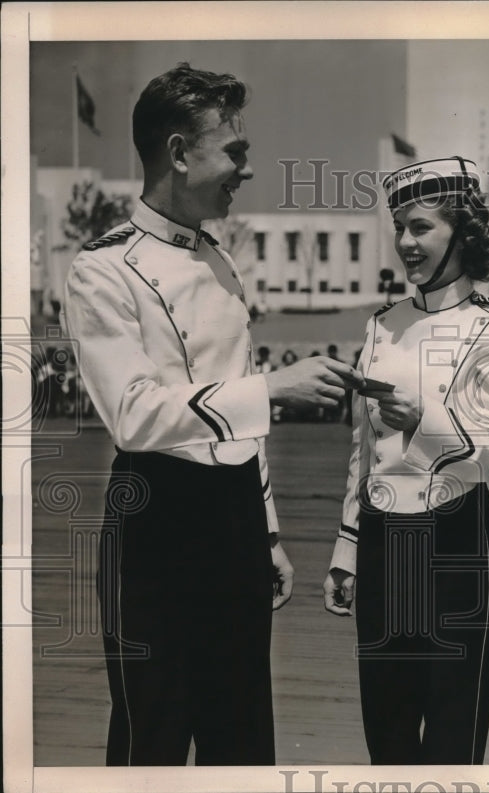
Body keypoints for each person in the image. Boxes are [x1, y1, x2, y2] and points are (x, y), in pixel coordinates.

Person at [62, 63, 358, 766]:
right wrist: (275, 388)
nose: (244, 170)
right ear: (177, 153)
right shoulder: (102, 270)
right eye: (235, 152)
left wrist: (267, 531)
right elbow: (133, 416)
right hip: (156, 516)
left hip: (231, 515)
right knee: (152, 731)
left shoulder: (221, 258)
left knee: (242, 731)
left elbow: (235, 415)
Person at [323, 157, 489, 764]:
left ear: (463, 236)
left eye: (421, 227)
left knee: (451, 728)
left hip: (455, 540)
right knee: (385, 727)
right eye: (400, 227)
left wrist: (425, 423)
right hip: (383, 538)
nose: (406, 243)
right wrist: (347, 549)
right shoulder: (382, 325)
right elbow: (362, 451)